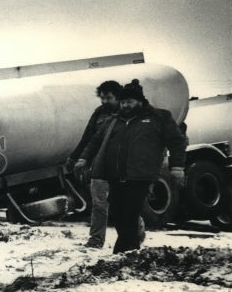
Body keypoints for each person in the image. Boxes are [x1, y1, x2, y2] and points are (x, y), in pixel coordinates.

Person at [74, 79, 186, 254]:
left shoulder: (158, 117)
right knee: (117, 213)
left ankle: (124, 252)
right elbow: (95, 141)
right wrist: (83, 159)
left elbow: (177, 141)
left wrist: (177, 167)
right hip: (115, 175)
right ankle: (131, 249)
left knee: (130, 213)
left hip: (140, 175)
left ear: (139, 101)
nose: (126, 105)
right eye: (124, 102)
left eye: (130, 102)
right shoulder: (114, 120)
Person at [66, 80, 122, 248]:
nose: (104, 102)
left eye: (109, 98)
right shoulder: (99, 113)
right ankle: (96, 240)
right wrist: (75, 157)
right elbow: (88, 137)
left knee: (123, 204)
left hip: (121, 166)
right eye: (102, 98)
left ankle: (135, 234)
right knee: (98, 204)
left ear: (118, 97)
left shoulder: (126, 113)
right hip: (99, 166)